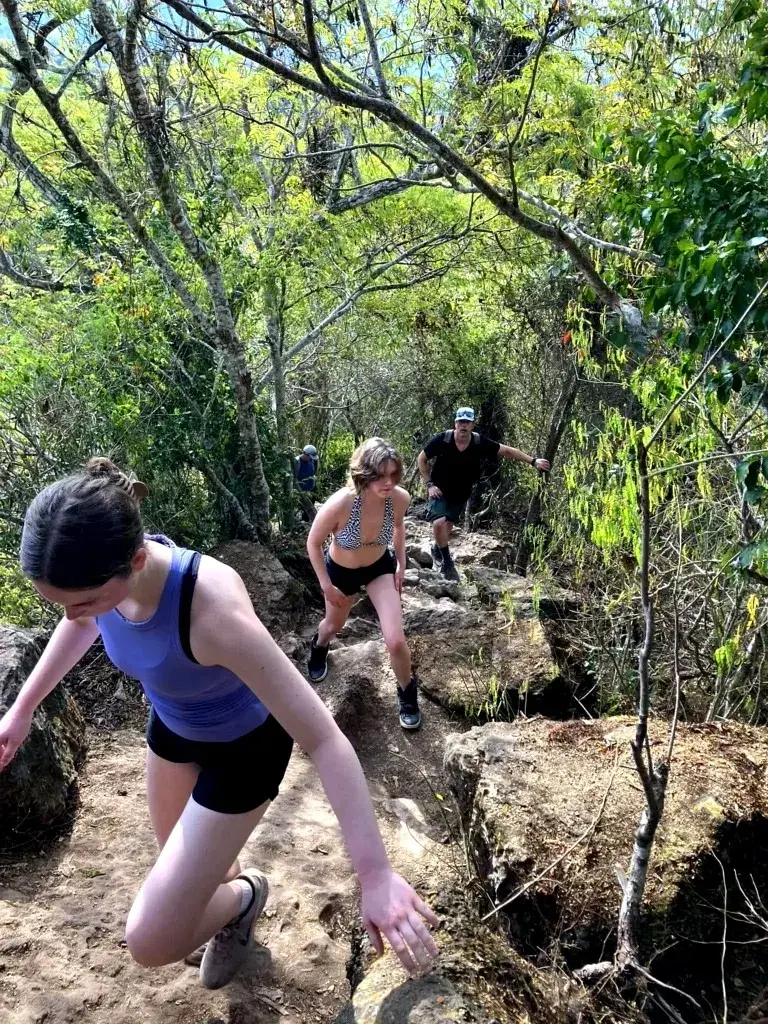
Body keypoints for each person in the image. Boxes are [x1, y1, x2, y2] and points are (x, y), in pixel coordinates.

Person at [0, 457, 438, 990]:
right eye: (62, 604)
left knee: (151, 939)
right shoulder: (101, 575)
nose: (74, 614)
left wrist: (375, 875)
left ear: (136, 561)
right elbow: (82, 624)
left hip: (244, 755)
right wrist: (22, 709)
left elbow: (325, 740)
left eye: (84, 601)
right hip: (171, 731)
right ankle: (233, 907)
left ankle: (247, 895)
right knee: (202, 876)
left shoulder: (210, 611)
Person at [306, 438, 420, 730]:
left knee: (395, 640)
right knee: (334, 625)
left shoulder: (399, 499)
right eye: (380, 475)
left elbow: (398, 526)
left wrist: (401, 563)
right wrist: (326, 586)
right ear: (364, 474)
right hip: (341, 572)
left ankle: (407, 692)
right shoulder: (341, 503)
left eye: (393, 474)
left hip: (379, 568)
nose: (388, 482)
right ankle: (319, 645)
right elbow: (313, 542)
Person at [417, 407, 551, 581]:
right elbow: (422, 459)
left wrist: (533, 461)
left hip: (461, 492)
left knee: (447, 526)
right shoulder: (443, 439)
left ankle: (437, 549)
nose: (464, 426)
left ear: (473, 424)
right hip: (439, 490)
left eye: (467, 422)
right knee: (438, 522)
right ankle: (447, 563)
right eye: (461, 422)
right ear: (455, 423)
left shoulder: (479, 442)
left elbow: (507, 451)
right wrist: (429, 484)